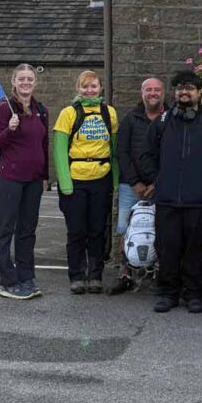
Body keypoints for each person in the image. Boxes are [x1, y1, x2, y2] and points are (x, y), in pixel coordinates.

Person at [140, 70, 202, 313]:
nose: (184, 92)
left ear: (199, 93)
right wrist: (157, 180)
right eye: (180, 87)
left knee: (194, 249)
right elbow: (146, 154)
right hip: (167, 199)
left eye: (189, 88)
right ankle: (168, 293)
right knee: (167, 248)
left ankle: (193, 294)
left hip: (198, 200)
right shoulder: (162, 122)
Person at [0, 64, 49, 299]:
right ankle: (8, 281)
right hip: (9, 179)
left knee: (27, 231)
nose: (25, 82)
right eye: (21, 79)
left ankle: (26, 276)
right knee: (5, 230)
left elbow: (43, 145)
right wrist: (10, 130)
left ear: (35, 82)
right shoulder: (4, 109)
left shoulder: (41, 110)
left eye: (29, 79)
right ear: (13, 82)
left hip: (33, 181)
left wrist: (45, 176)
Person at [52, 70, 119, 294]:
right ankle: (77, 276)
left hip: (101, 179)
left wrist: (115, 181)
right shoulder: (68, 113)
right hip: (76, 181)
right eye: (85, 86)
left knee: (98, 230)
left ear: (100, 88)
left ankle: (96, 275)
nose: (89, 90)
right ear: (78, 88)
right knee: (77, 231)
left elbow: (114, 150)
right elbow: (59, 150)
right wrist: (65, 183)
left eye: (93, 86)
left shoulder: (109, 113)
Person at [110, 77, 167, 294]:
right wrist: (135, 182)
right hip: (130, 185)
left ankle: (157, 273)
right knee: (124, 228)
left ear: (163, 92)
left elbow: (173, 154)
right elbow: (122, 152)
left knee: (161, 229)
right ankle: (124, 274)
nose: (153, 93)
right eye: (148, 89)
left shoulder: (170, 118)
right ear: (141, 93)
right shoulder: (130, 119)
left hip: (161, 185)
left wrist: (157, 182)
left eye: (156, 89)